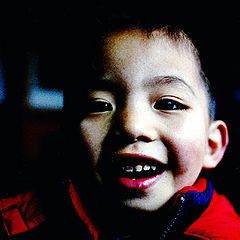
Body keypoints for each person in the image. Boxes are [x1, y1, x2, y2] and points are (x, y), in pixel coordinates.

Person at [1, 13, 240, 240]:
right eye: (100, 105)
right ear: (69, 137)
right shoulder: (16, 224)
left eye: (168, 103)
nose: (131, 126)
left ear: (212, 145)